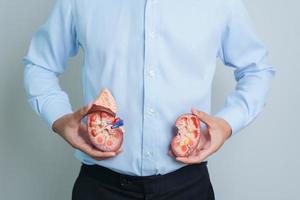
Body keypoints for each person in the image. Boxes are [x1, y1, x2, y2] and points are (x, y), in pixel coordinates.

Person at [22, 0, 276, 199]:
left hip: (187, 187)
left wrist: (228, 123)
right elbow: (39, 65)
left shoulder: (219, 2)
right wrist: (58, 118)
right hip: (100, 188)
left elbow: (256, 70)